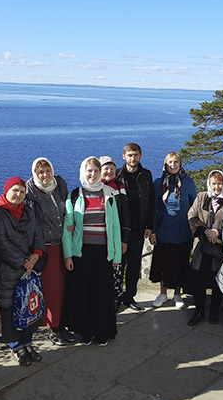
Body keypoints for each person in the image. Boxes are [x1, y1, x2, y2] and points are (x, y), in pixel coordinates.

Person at [62, 156, 124, 345]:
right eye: (89, 170)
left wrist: (117, 255)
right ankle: (86, 332)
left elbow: (115, 226)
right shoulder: (74, 195)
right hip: (81, 251)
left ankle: (101, 332)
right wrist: (68, 255)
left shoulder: (109, 194)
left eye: (96, 171)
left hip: (103, 251)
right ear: (83, 171)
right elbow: (68, 227)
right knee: (83, 293)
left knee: (101, 294)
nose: (93, 174)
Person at [0, 177, 46, 366]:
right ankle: (16, 346)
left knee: (28, 305)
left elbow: (38, 234)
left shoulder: (28, 211)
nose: (18, 194)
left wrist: (37, 255)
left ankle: (28, 342)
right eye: (15, 190)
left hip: (28, 267)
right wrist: (23, 261)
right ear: (6, 191)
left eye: (22, 191)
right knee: (10, 308)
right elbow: (0, 242)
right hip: (8, 269)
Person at [25, 157, 75, 346]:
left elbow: (68, 210)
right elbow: (32, 224)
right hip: (47, 247)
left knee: (64, 288)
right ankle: (52, 328)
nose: (45, 175)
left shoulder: (59, 186)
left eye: (47, 171)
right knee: (52, 290)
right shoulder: (32, 192)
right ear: (35, 174)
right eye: (40, 172)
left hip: (64, 244)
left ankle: (63, 324)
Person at [150, 152, 197, 308]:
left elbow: (194, 207)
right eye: (170, 162)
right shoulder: (159, 183)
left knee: (180, 263)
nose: (173, 165)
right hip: (164, 229)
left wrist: (193, 229)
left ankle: (177, 295)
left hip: (183, 230)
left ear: (180, 164)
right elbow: (154, 208)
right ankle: (163, 294)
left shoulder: (188, 182)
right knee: (162, 264)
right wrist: (153, 231)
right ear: (165, 164)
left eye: (176, 162)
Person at [187, 170, 223, 325]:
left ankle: (213, 312)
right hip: (201, 247)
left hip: (219, 247)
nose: (216, 186)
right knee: (198, 282)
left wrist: (217, 232)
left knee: (217, 281)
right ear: (209, 184)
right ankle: (199, 312)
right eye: (214, 183)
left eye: (219, 183)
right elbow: (191, 216)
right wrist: (205, 231)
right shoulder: (202, 197)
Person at [116, 143, 154, 311]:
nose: (133, 158)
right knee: (119, 265)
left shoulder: (146, 175)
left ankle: (129, 297)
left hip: (139, 228)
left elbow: (152, 201)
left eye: (136, 155)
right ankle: (116, 297)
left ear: (140, 156)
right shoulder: (117, 176)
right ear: (124, 156)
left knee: (134, 265)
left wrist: (149, 226)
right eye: (130, 155)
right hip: (121, 229)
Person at [99, 155, 131, 307]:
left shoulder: (120, 187)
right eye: (106, 168)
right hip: (99, 239)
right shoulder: (94, 187)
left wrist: (125, 239)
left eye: (112, 168)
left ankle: (115, 301)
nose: (109, 171)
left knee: (117, 271)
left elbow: (126, 215)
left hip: (117, 238)